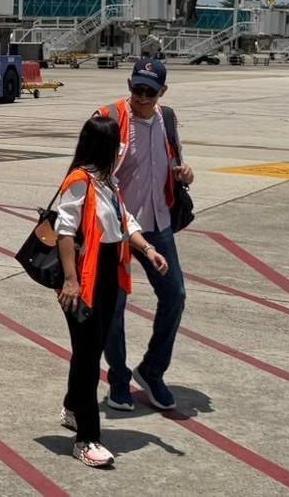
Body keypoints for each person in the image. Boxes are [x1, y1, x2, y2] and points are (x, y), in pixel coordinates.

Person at [55, 115, 169, 468]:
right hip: (84, 278)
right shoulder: (79, 182)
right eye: (116, 144)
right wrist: (71, 280)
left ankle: (73, 408)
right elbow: (64, 232)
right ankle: (86, 440)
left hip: (109, 275)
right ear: (103, 147)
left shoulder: (107, 182)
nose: (122, 149)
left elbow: (125, 221)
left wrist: (148, 250)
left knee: (88, 351)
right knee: (89, 359)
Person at [95, 58, 195, 413]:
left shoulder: (167, 119)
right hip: (117, 228)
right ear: (129, 85)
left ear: (162, 92)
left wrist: (183, 173)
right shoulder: (108, 118)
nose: (141, 97)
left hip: (157, 221)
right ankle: (119, 379)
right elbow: (91, 173)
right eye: (136, 89)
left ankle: (152, 370)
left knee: (175, 296)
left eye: (149, 92)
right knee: (115, 306)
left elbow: (172, 161)